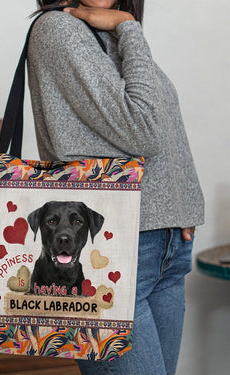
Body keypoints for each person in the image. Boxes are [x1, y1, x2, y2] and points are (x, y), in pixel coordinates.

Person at [27, 1, 205, 374]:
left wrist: (180, 209)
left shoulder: (105, 31)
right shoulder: (59, 30)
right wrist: (129, 26)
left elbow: (164, 123)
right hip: (113, 253)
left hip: (166, 249)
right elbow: (143, 129)